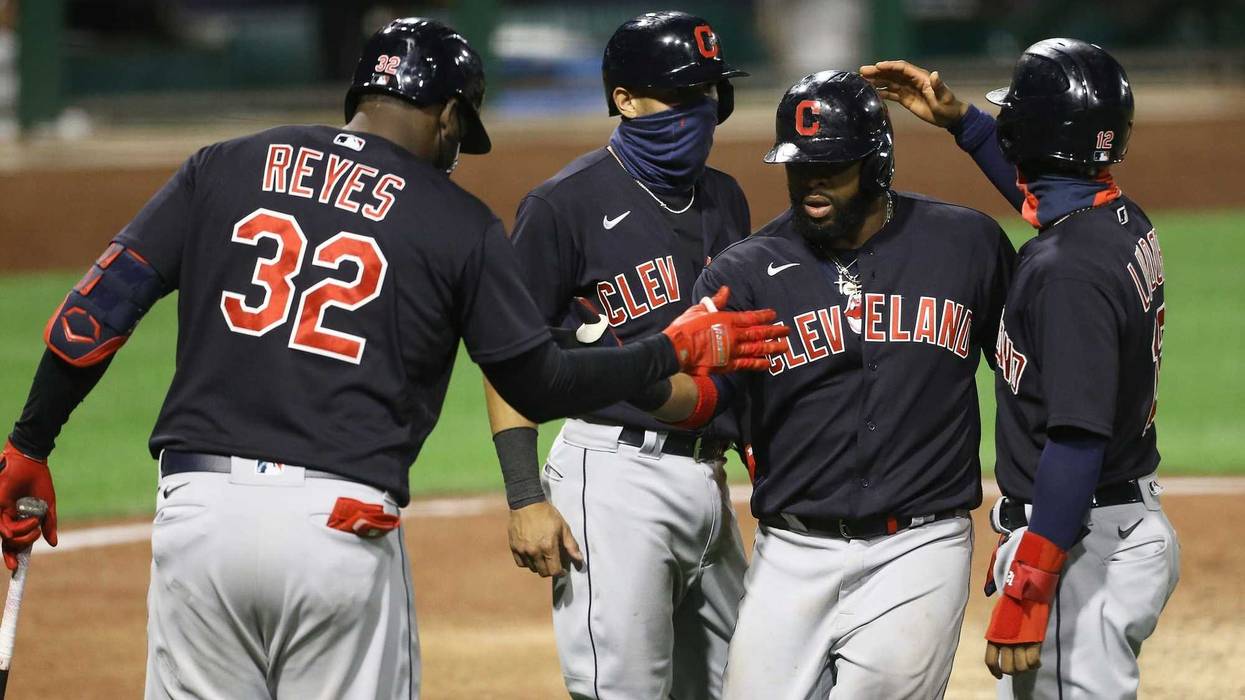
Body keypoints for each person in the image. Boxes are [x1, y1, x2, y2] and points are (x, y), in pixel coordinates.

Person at [0, 18, 787, 700]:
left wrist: (29, 446)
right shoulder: (455, 219)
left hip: (196, 517)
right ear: (446, 115)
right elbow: (539, 381)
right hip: (339, 528)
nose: (456, 150)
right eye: (460, 130)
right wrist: (666, 351)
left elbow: (92, 315)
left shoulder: (226, 164)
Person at [641, 70, 1015, 698]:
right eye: (799, 167)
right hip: (791, 551)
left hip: (918, 549)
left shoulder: (965, 244)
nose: (812, 182)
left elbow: (1027, 369)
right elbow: (703, 403)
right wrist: (647, 373)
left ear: (877, 162)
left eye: (832, 166)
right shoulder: (747, 271)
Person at [863, 37, 1180, 698]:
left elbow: (1075, 435)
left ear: (1032, 134)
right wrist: (963, 124)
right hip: (1102, 525)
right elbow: (1047, 202)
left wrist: (1031, 581)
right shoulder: (1112, 219)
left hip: (1077, 543)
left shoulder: (1067, 273)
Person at [481, 11, 754, 698]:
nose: (697, 113)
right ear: (624, 101)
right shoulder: (563, 204)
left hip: (707, 480)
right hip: (612, 475)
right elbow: (511, 354)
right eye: (679, 96)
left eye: (707, 97)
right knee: (623, 690)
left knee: (749, 682)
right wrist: (523, 496)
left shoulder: (723, 197)